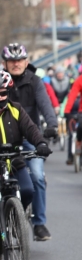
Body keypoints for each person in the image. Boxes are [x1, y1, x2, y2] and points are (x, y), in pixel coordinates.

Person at [3, 43, 58, 241]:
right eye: (12, 61)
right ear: (5, 63)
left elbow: (45, 104)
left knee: (37, 176)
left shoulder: (35, 81)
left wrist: (52, 125)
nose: (16, 64)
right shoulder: (2, 82)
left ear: (26, 62)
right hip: (6, 137)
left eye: (19, 60)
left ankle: (39, 223)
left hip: (30, 136)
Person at [0, 71, 51, 218]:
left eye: (3, 93)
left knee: (27, 191)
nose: (0, 97)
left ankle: (16, 220)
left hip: (15, 161)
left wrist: (41, 143)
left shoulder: (16, 109)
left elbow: (30, 129)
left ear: (8, 93)